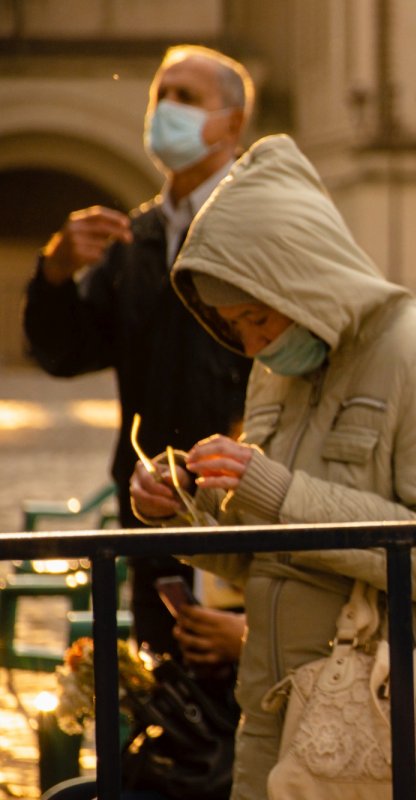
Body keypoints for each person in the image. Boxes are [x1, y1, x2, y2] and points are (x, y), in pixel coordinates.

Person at [129, 133, 416, 799]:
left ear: (303, 280)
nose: (251, 343)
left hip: (388, 727)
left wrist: (273, 488)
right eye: (232, 324)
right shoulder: (279, 367)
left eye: (257, 318)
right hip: (272, 716)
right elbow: (274, 556)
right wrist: (180, 513)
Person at [21, 44, 254, 661]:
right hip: (150, 503)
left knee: (241, 681)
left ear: (231, 123)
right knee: (161, 674)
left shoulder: (260, 224)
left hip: (244, 502)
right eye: (161, 96)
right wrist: (56, 272)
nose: (167, 109)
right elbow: (66, 352)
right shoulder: (137, 237)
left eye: (187, 97)